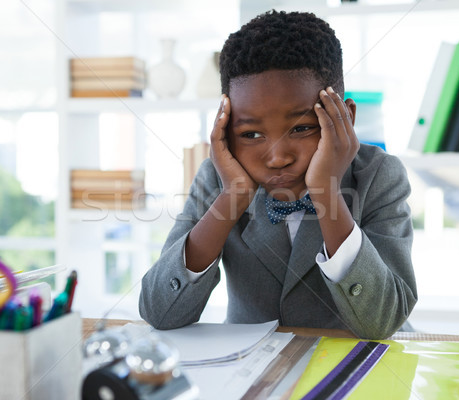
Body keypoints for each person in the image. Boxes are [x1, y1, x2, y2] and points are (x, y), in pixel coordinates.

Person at [139, 10, 416, 339]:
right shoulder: (217, 179)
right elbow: (159, 312)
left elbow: (383, 322)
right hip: (254, 374)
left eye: (301, 128)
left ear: (345, 117)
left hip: (354, 368)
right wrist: (233, 198)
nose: (278, 157)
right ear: (225, 131)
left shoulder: (380, 175)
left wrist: (326, 192)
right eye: (251, 135)